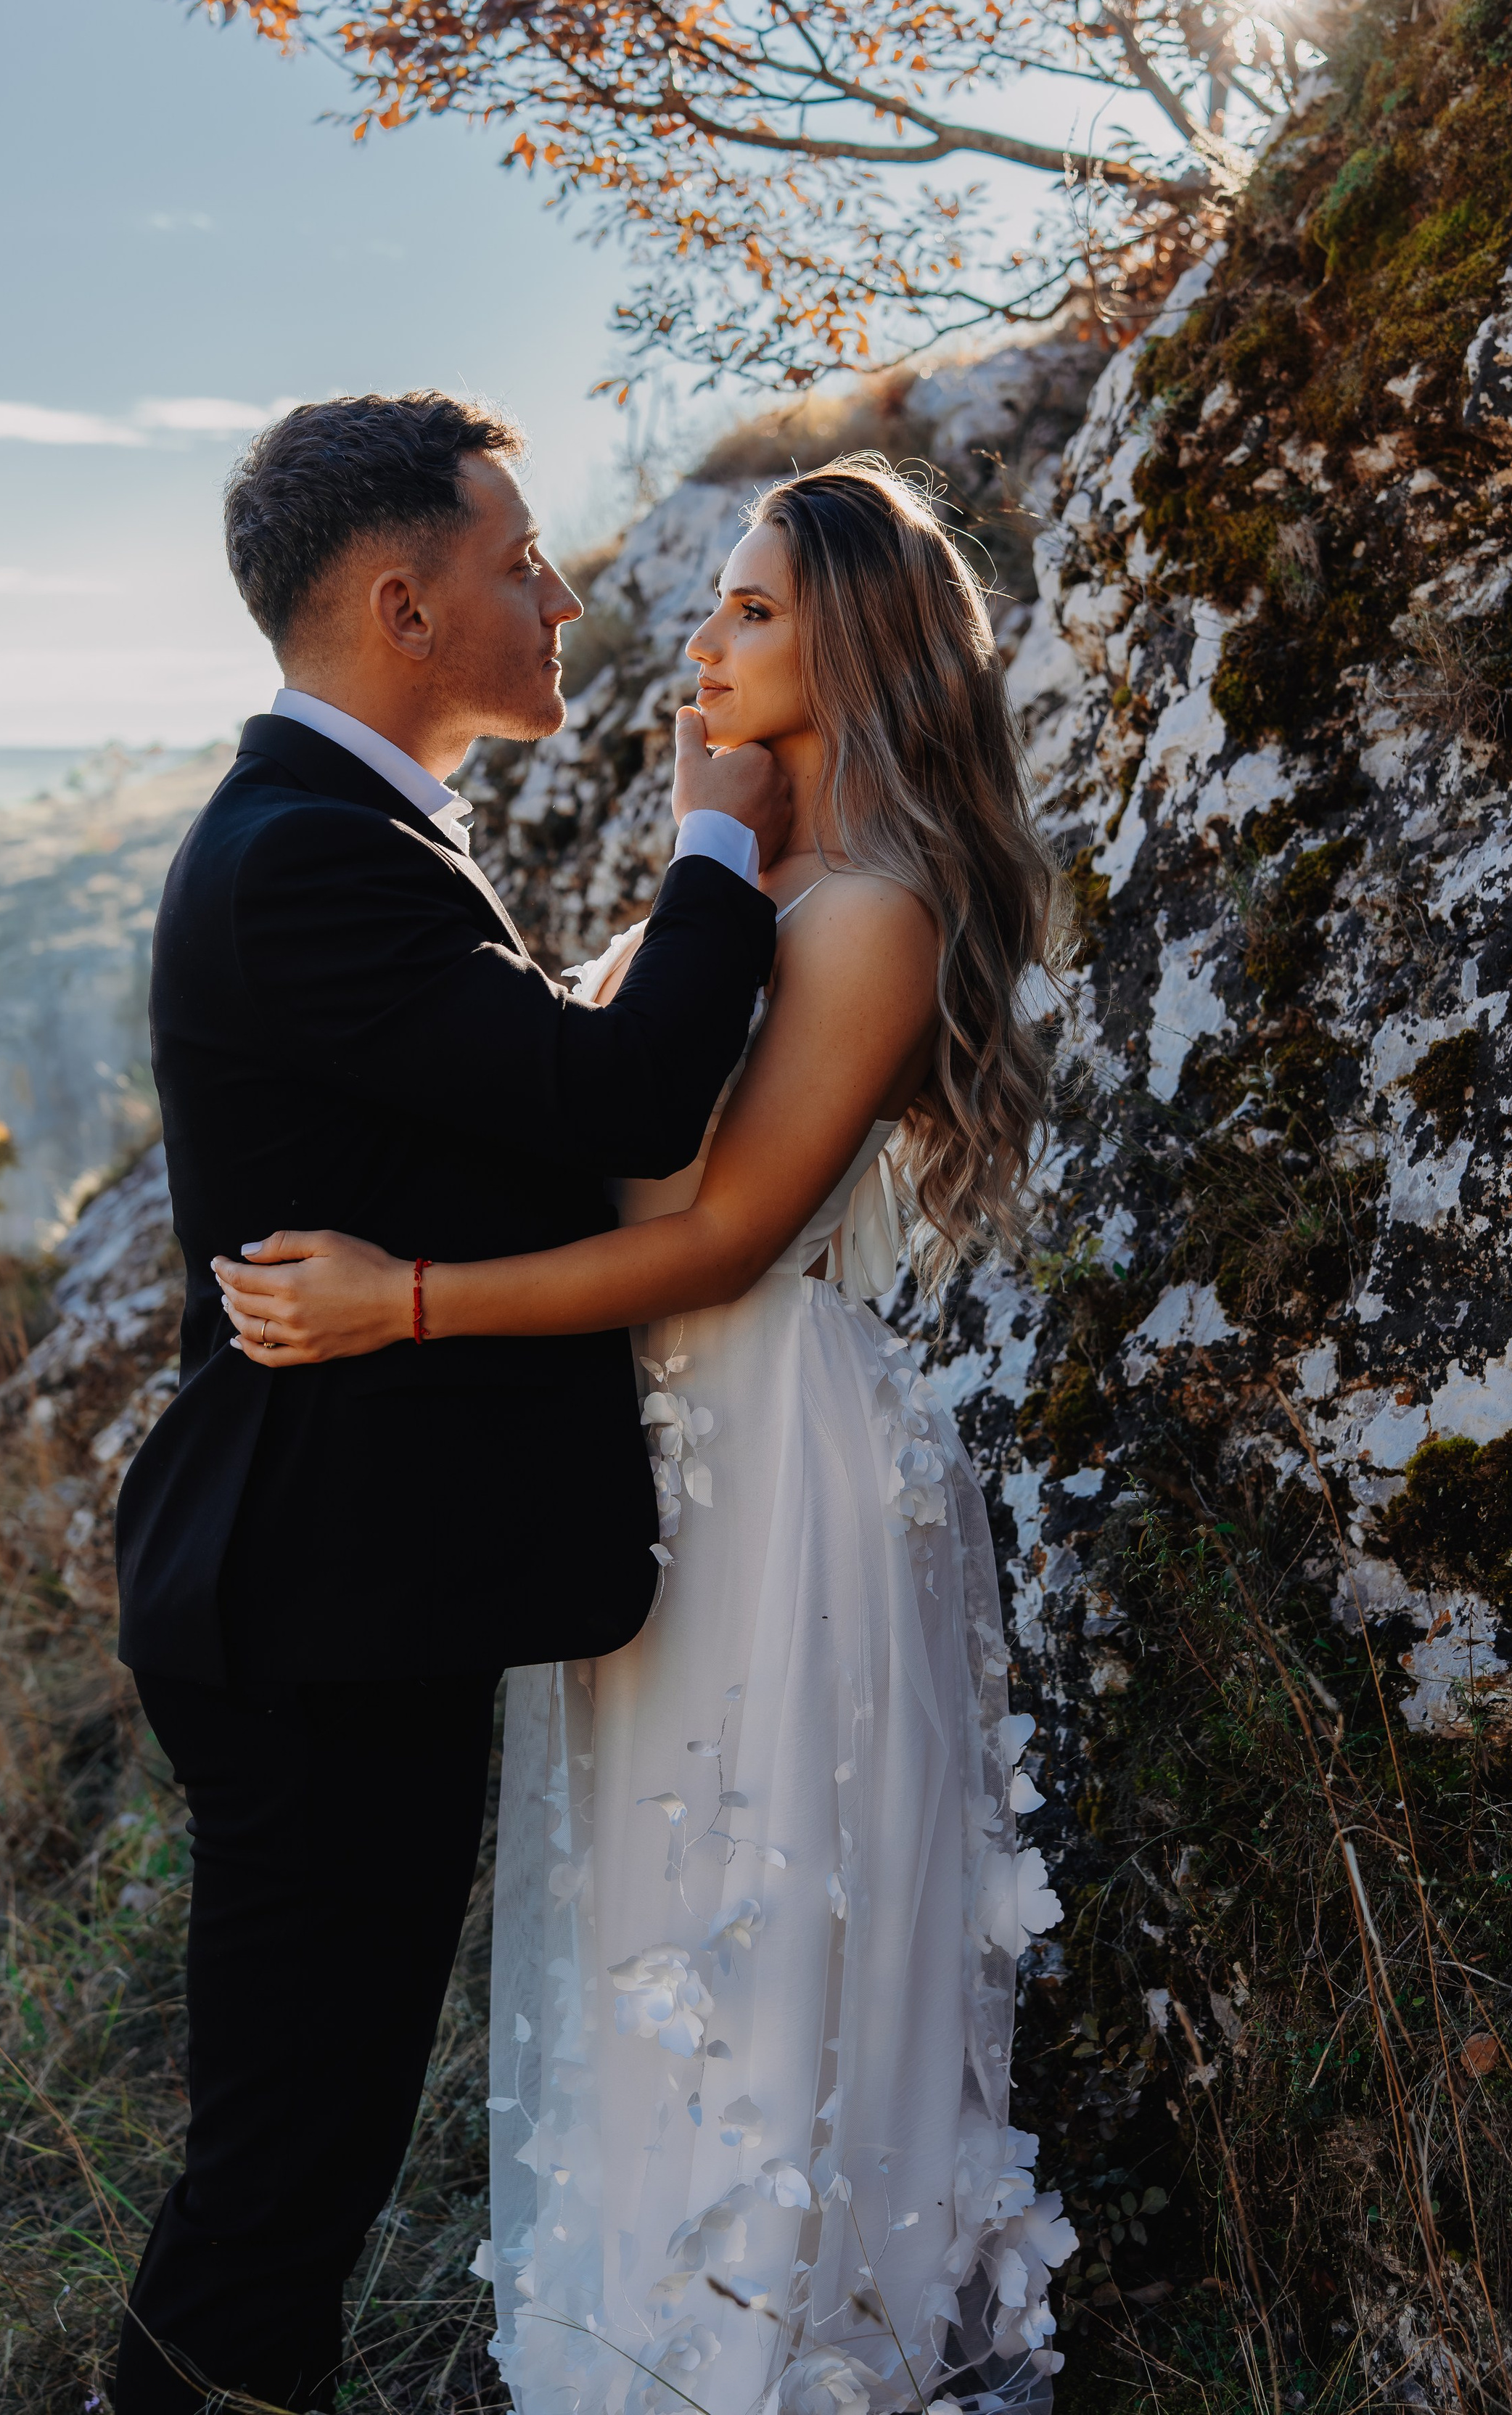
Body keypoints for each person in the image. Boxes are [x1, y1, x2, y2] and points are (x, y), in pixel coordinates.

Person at [213, 458, 1077, 2415]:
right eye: (718, 604)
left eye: (756, 609)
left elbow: (716, 1239)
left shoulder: (872, 910)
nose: (703, 640)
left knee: (763, 1943)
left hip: (778, 1469)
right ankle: (649, 2362)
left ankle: (778, 2367)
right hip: (653, 1481)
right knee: (648, 1945)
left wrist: (397, 1300)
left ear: (856, 640)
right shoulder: (747, 877)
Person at [111, 390, 792, 2415]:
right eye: (522, 560)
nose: (566, 591)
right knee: (282, 2173)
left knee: (300, 2147)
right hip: (309, 1596)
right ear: (405, 605)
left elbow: (494, 1088)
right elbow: (620, 1103)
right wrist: (719, 843)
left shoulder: (341, 837)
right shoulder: (310, 854)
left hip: (338, 1587)